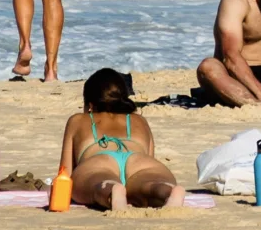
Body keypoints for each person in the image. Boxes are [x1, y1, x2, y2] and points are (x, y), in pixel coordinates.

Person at [59, 67, 185, 211]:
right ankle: (165, 191)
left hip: (100, 160)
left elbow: (65, 173)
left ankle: (110, 189)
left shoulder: (78, 120)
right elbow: (149, 156)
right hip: (139, 160)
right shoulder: (139, 120)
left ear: (90, 105)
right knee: (148, 184)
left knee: (97, 184)